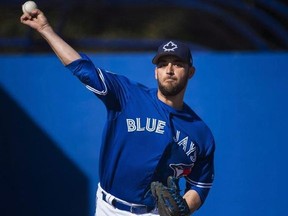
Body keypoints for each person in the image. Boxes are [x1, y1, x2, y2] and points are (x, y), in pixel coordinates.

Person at [20, 8, 215, 216]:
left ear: (190, 72)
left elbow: (200, 186)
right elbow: (83, 69)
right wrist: (45, 29)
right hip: (109, 209)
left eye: (177, 64)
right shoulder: (127, 95)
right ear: (155, 71)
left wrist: (184, 208)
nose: (169, 70)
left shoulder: (200, 134)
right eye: (163, 64)